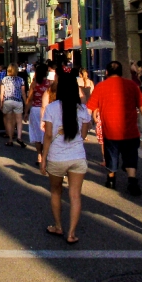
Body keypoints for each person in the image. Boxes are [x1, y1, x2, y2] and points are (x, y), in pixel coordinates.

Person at [87, 61, 142, 195]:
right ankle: (132, 180)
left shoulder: (100, 87)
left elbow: (90, 108)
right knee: (131, 156)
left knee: (111, 155)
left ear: (106, 72)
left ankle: (111, 179)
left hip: (110, 130)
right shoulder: (131, 85)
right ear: (122, 72)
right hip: (130, 129)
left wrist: (86, 123)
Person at [41, 70, 91, 245]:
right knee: (75, 195)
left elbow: (47, 135)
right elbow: (84, 134)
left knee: (56, 192)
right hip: (77, 156)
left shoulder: (52, 108)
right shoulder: (82, 109)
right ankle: (71, 233)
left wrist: (43, 158)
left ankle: (58, 226)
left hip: (57, 157)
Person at [25, 64, 51, 160]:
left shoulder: (34, 84)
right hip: (47, 110)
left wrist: (26, 112)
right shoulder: (50, 84)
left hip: (35, 109)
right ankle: (46, 155)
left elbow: (30, 99)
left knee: (36, 133)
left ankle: (39, 155)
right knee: (46, 132)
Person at [0, 63, 28, 148]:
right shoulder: (21, 80)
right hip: (18, 101)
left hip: (8, 101)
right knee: (19, 121)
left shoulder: (4, 79)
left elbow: (2, 94)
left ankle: (10, 139)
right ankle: (19, 137)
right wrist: (26, 103)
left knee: (9, 121)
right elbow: (23, 93)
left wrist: (1, 103)